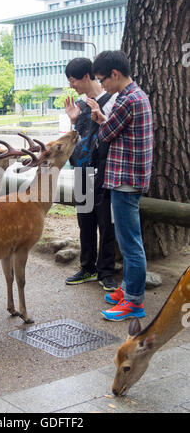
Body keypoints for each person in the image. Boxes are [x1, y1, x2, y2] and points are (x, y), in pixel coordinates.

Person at [88, 50, 153, 321]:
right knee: (129, 242)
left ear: (115, 74)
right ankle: (128, 290)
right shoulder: (133, 96)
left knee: (130, 245)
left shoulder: (128, 100)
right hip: (127, 178)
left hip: (125, 180)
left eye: (103, 80)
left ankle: (134, 302)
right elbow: (116, 130)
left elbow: (105, 135)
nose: (102, 85)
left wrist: (98, 120)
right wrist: (105, 119)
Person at [64, 57, 118, 291]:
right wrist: (74, 121)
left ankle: (107, 271)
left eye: (73, 80)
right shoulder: (80, 104)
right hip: (82, 171)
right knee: (85, 221)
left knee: (107, 223)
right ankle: (87, 267)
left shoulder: (112, 100)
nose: (71, 85)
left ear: (86, 76)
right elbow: (77, 140)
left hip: (105, 171)